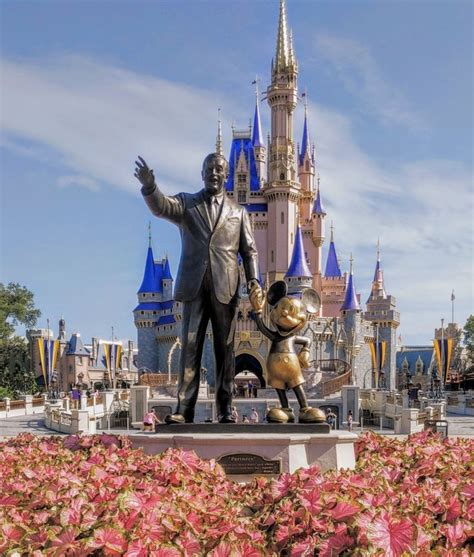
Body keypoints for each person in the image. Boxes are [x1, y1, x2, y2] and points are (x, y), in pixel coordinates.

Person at [135, 154, 263, 424]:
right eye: (209, 169)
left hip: (226, 287)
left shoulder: (238, 213)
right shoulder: (187, 203)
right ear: (201, 173)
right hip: (193, 287)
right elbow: (161, 207)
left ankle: (226, 409)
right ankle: (184, 409)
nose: (213, 173)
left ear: (225, 175)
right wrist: (149, 187)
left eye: (219, 169)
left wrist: (253, 281)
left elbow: (249, 251)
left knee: (225, 350)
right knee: (190, 346)